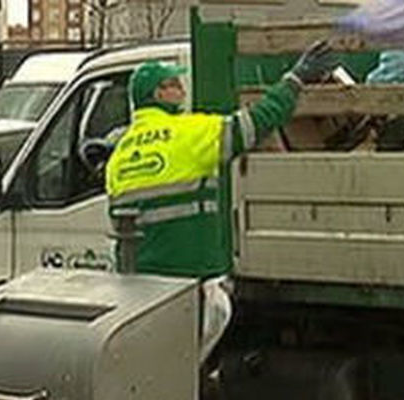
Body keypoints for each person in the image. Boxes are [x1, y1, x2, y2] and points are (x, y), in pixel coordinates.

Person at [105, 42, 335, 365]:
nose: (182, 90)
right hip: (190, 288)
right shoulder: (190, 134)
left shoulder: (121, 154)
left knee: (155, 377)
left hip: (141, 293)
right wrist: (296, 78)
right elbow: (259, 121)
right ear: (158, 94)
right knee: (183, 377)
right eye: (174, 85)